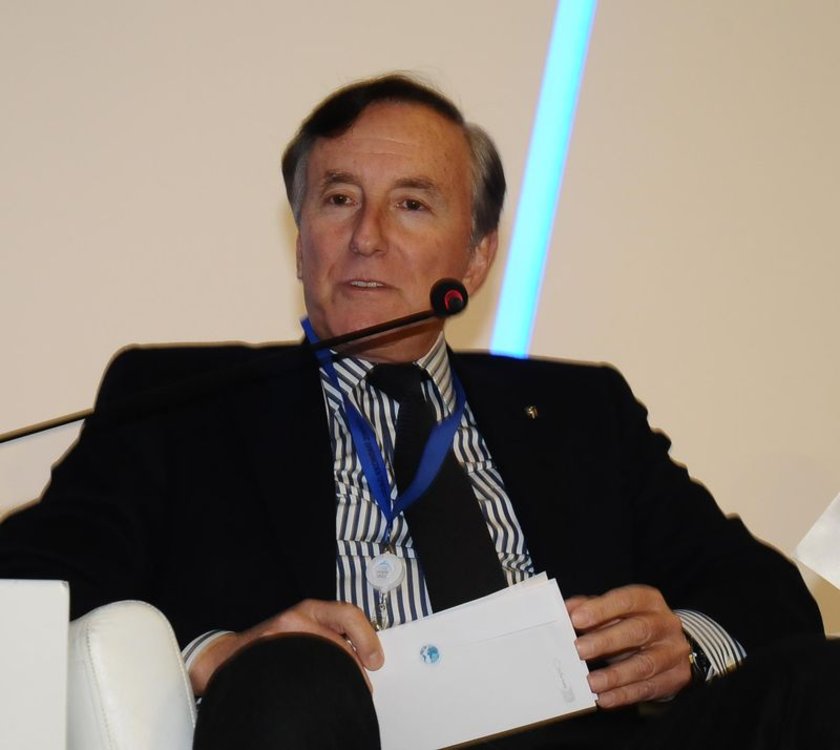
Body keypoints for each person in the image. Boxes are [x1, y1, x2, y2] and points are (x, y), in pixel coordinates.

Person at [0, 74, 835, 750]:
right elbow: (31, 576)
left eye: (411, 204)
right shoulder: (181, 403)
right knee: (290, 677)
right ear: (301, 242)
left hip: (581, 738)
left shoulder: (583, 412)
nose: (367, 236)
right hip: (316, 726)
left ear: (475, 259)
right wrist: (209, 655)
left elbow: (768, 597)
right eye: (338, 199)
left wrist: (684, 645)